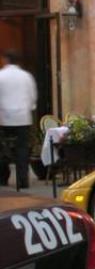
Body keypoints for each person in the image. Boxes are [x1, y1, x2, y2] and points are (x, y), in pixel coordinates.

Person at [0, 50, 38, 189]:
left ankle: (3, 178)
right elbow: (33, 97)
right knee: (22, 150)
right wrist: (29, 108)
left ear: (6, 60)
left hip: (4, 118)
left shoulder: (1, 76)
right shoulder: (26, 76)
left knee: (2, 149)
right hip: (23, 118)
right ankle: (23, 180)